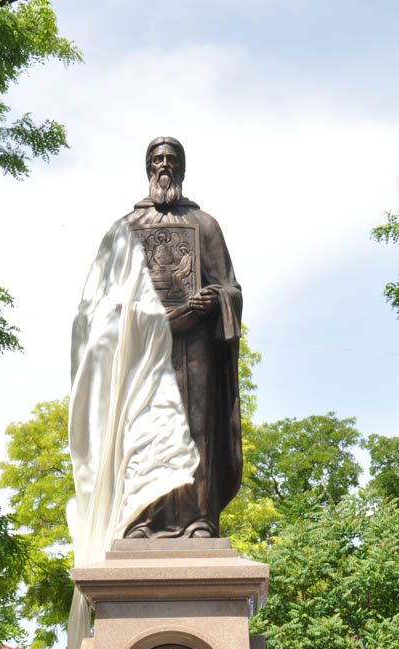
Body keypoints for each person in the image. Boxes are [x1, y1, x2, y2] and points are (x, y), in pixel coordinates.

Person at [122, 137, 243, 538]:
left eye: (171, 159)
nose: (164, 165)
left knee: (196, 431)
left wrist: (215, 301)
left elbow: (231, 288)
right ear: (147, 168)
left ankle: (199, 519)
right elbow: (109, 302)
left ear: (183, 168)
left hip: (195, 350)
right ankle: (143, 519)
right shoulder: (128, 228)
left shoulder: (204, 224)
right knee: (147, 433)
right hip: (146, 353)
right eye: (156, 159)